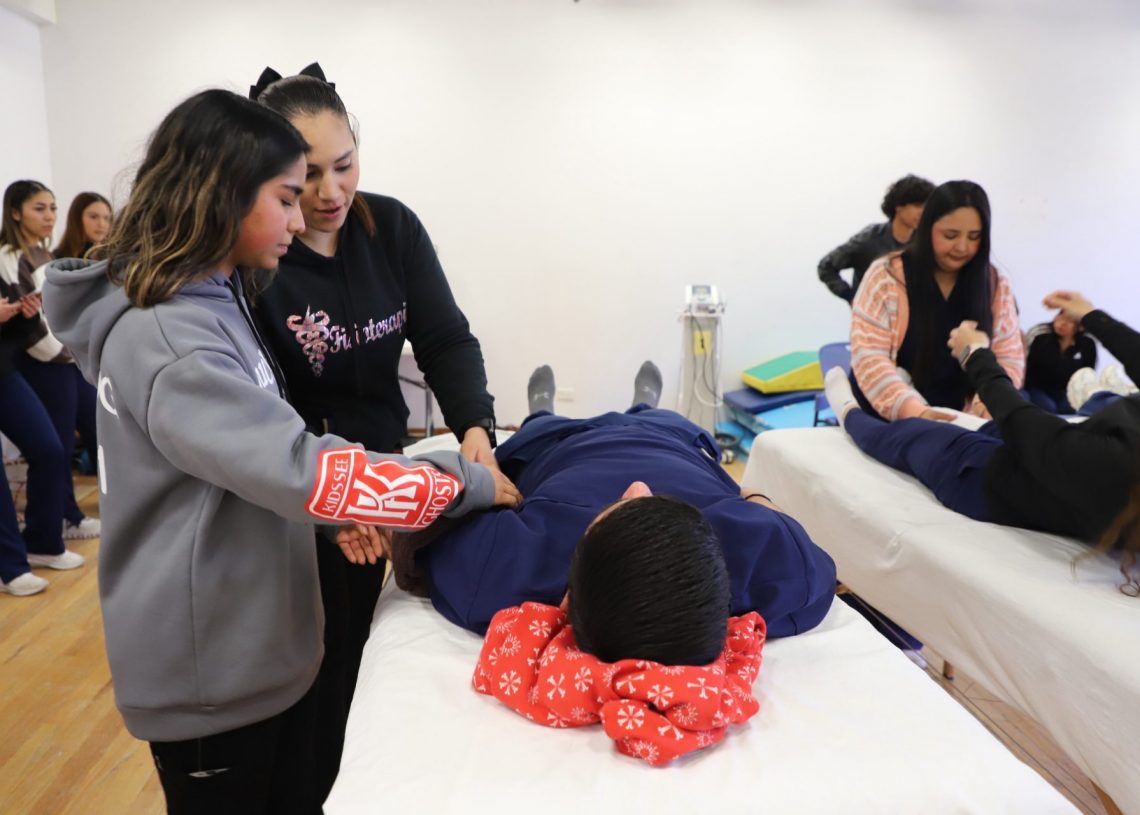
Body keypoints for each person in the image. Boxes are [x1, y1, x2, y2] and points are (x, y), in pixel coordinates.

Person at [42, 89, 519, 814]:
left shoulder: (218, 297)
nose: (303, 217)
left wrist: (328, 513)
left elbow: (250, 458)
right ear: (225, 195)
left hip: (256, 646)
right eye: (289, 197)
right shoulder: (172, 338)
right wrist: (463, 483)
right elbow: (300, 467)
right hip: (212, 675)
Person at [247, 62, 500, 789]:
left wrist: (475, 425)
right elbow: (263, 410)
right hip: (302, 484)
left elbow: (445, 339)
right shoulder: (262, 255)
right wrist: (332, 506)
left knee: (371, 651)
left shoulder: (391, 227)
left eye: (345, 165)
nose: (331, 192)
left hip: (381, 471)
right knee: (317, 669)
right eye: (308, 175)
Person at [343, 362, 836, 640]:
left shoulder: (513, 569)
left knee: (539, 428)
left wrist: (474, 488)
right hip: (669, 441)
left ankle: (541, 412)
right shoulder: (757, 561)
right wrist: (753, 495)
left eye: (623, 510)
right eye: (653, 506)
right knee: (662, 418)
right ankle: (645, 405)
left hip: (561, 446)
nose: (638, 487)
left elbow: (423, 530)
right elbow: (808, 561)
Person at [826, 289, 1140, 592]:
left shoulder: (1115, 463)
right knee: (962, 421)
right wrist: (1091, 315)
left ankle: (848, 412)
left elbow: (1028, 426)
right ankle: (1094, 396)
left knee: (912, 434)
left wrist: (975, 355)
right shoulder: (1108, 451)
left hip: (996, 481)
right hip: (1064, 455)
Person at [850, 180, 1025, 422]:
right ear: (926, 228)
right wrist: (915, 412)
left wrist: (989, 402)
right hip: (892, 417)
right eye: (950, 235)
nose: (962, 247)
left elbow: (1009, 357)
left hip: (966, 421)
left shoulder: (995, 284)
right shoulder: (885, 276)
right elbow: (869, 357)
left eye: (974, 236)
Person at [1, 180, 98, 551]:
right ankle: (58, 522)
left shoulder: (42, 253)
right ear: (15, 213)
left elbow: (53, 311)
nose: (49, 216)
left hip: (62, 357)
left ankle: (65, 515)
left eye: (53, 207)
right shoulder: (10, 256)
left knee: (60, 444)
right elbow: (31, 325)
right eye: (39, 208)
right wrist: (66, 352)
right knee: (53, 445)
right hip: (42, 360)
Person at [0, 298, 69, 596]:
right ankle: (9, 568)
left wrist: (24, 315)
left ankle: (43, 543)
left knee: (49, 450)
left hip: (3, 369)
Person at [818, 174, 935, 304]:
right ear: (899, 206)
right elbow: (826, 266)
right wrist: (851, 297)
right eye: (918, 205)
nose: (923, 212)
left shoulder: (927, 242)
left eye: (927, 206)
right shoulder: (869, 239)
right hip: (872, 313)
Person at [1023, 310, 1098, 413]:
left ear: (1080, 327)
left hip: (1067, 390)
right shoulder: (1040, 335)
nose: (1062, 323)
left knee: (1073, 407)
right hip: (1036, 388)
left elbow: (1087, 373)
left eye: (1069, 321)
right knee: (1049, 408)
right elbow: (1023, 364)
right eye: (1060, 318)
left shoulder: (1087, 343)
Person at [54, 191, 113, 260]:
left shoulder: (112, 257)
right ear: (77, 218)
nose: (102, 224)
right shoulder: (59, 258)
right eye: (93, 217)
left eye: (106, 218)